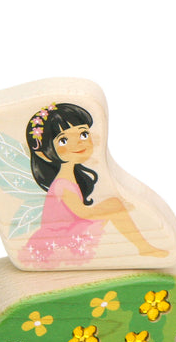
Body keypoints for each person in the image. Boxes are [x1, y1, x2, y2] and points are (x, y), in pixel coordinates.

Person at [20, 102, 167, 266]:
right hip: (61, 240)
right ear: (44, 154)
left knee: (114, 205)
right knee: (114, 204)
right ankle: (143, 247)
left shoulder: (71, 177)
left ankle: (143, 247)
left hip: (69, 233)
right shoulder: (62, 185)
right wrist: (111, 209)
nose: (78, 143)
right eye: (63, 140)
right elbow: (83, 213)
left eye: (83, 134)